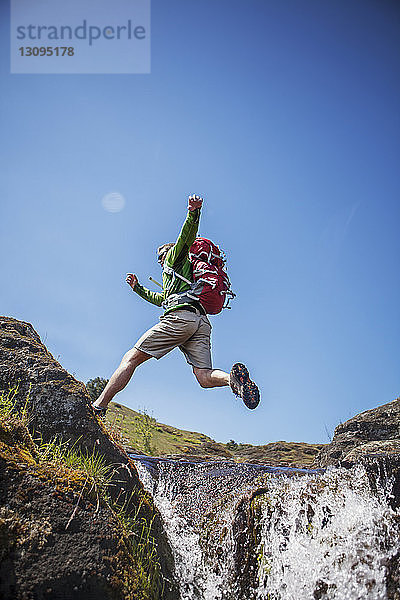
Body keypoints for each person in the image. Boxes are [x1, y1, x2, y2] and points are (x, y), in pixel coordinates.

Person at [92, 194, 260, 415]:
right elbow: (162, 300)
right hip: (201, 322)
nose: (160, 261)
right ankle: (234, 382)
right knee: (203, 376)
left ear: (168, 253)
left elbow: (186, 237)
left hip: (180, 319)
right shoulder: (186, 280)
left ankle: (99, 405)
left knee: (131, 358)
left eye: (160, 256)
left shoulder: (175, 258)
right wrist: (138, 289)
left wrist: (193, 211)